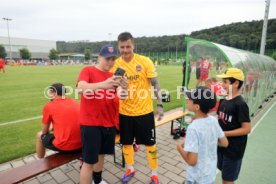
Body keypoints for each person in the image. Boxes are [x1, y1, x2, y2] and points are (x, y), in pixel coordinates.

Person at [111, 32, 164, 184]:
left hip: (145, 112)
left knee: (150, 144)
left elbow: (156, 84)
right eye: (122, 47)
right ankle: (130, 168)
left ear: (133, 45)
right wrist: (119, 91)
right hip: (125, 113)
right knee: (126, 143)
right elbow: (114, 86)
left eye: (128, 46)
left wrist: (160, 105)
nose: (125, 50)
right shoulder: (116, 64)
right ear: (118, 47)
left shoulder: (144, 61)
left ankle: (154, 174)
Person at [77, 44, 128, 184]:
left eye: (113, 59)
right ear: (99, 57)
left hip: (109, 123)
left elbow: (120, 96)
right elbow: (80, 88)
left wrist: (124, 90)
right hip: (91, 124)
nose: (111, 62)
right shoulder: (88, 70)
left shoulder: (113, 75)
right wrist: (103, 84)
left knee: (101, 155)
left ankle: (97, 181)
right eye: (107, 59)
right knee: (88, 162)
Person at [177, 86, 228, 184]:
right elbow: (225, 143)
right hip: (209, 176)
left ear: (197, 107)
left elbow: (192, 161)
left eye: (190, 99)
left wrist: (179, 147)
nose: (187, 100)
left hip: (196, 178)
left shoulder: (193, 127)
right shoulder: (213, 120)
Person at [216, 68, 251, 184]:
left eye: (225, 82)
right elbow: (220, 120)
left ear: (236, 83)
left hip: (234, 150)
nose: (222, 84)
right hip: (222, 147)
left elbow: (247, 129)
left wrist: (224, 134)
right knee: (224, 175)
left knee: (228, 180)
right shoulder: (223, 100)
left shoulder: (240, 104)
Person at [36, 83, 81, 158]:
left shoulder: (49, 106)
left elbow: (44, 131)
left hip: (65, 147)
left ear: (54, 93)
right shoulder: (74, 101)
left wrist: (51, 128)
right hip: (81, 143)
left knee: (39, 135)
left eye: (49, 92)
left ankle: (40, 161)